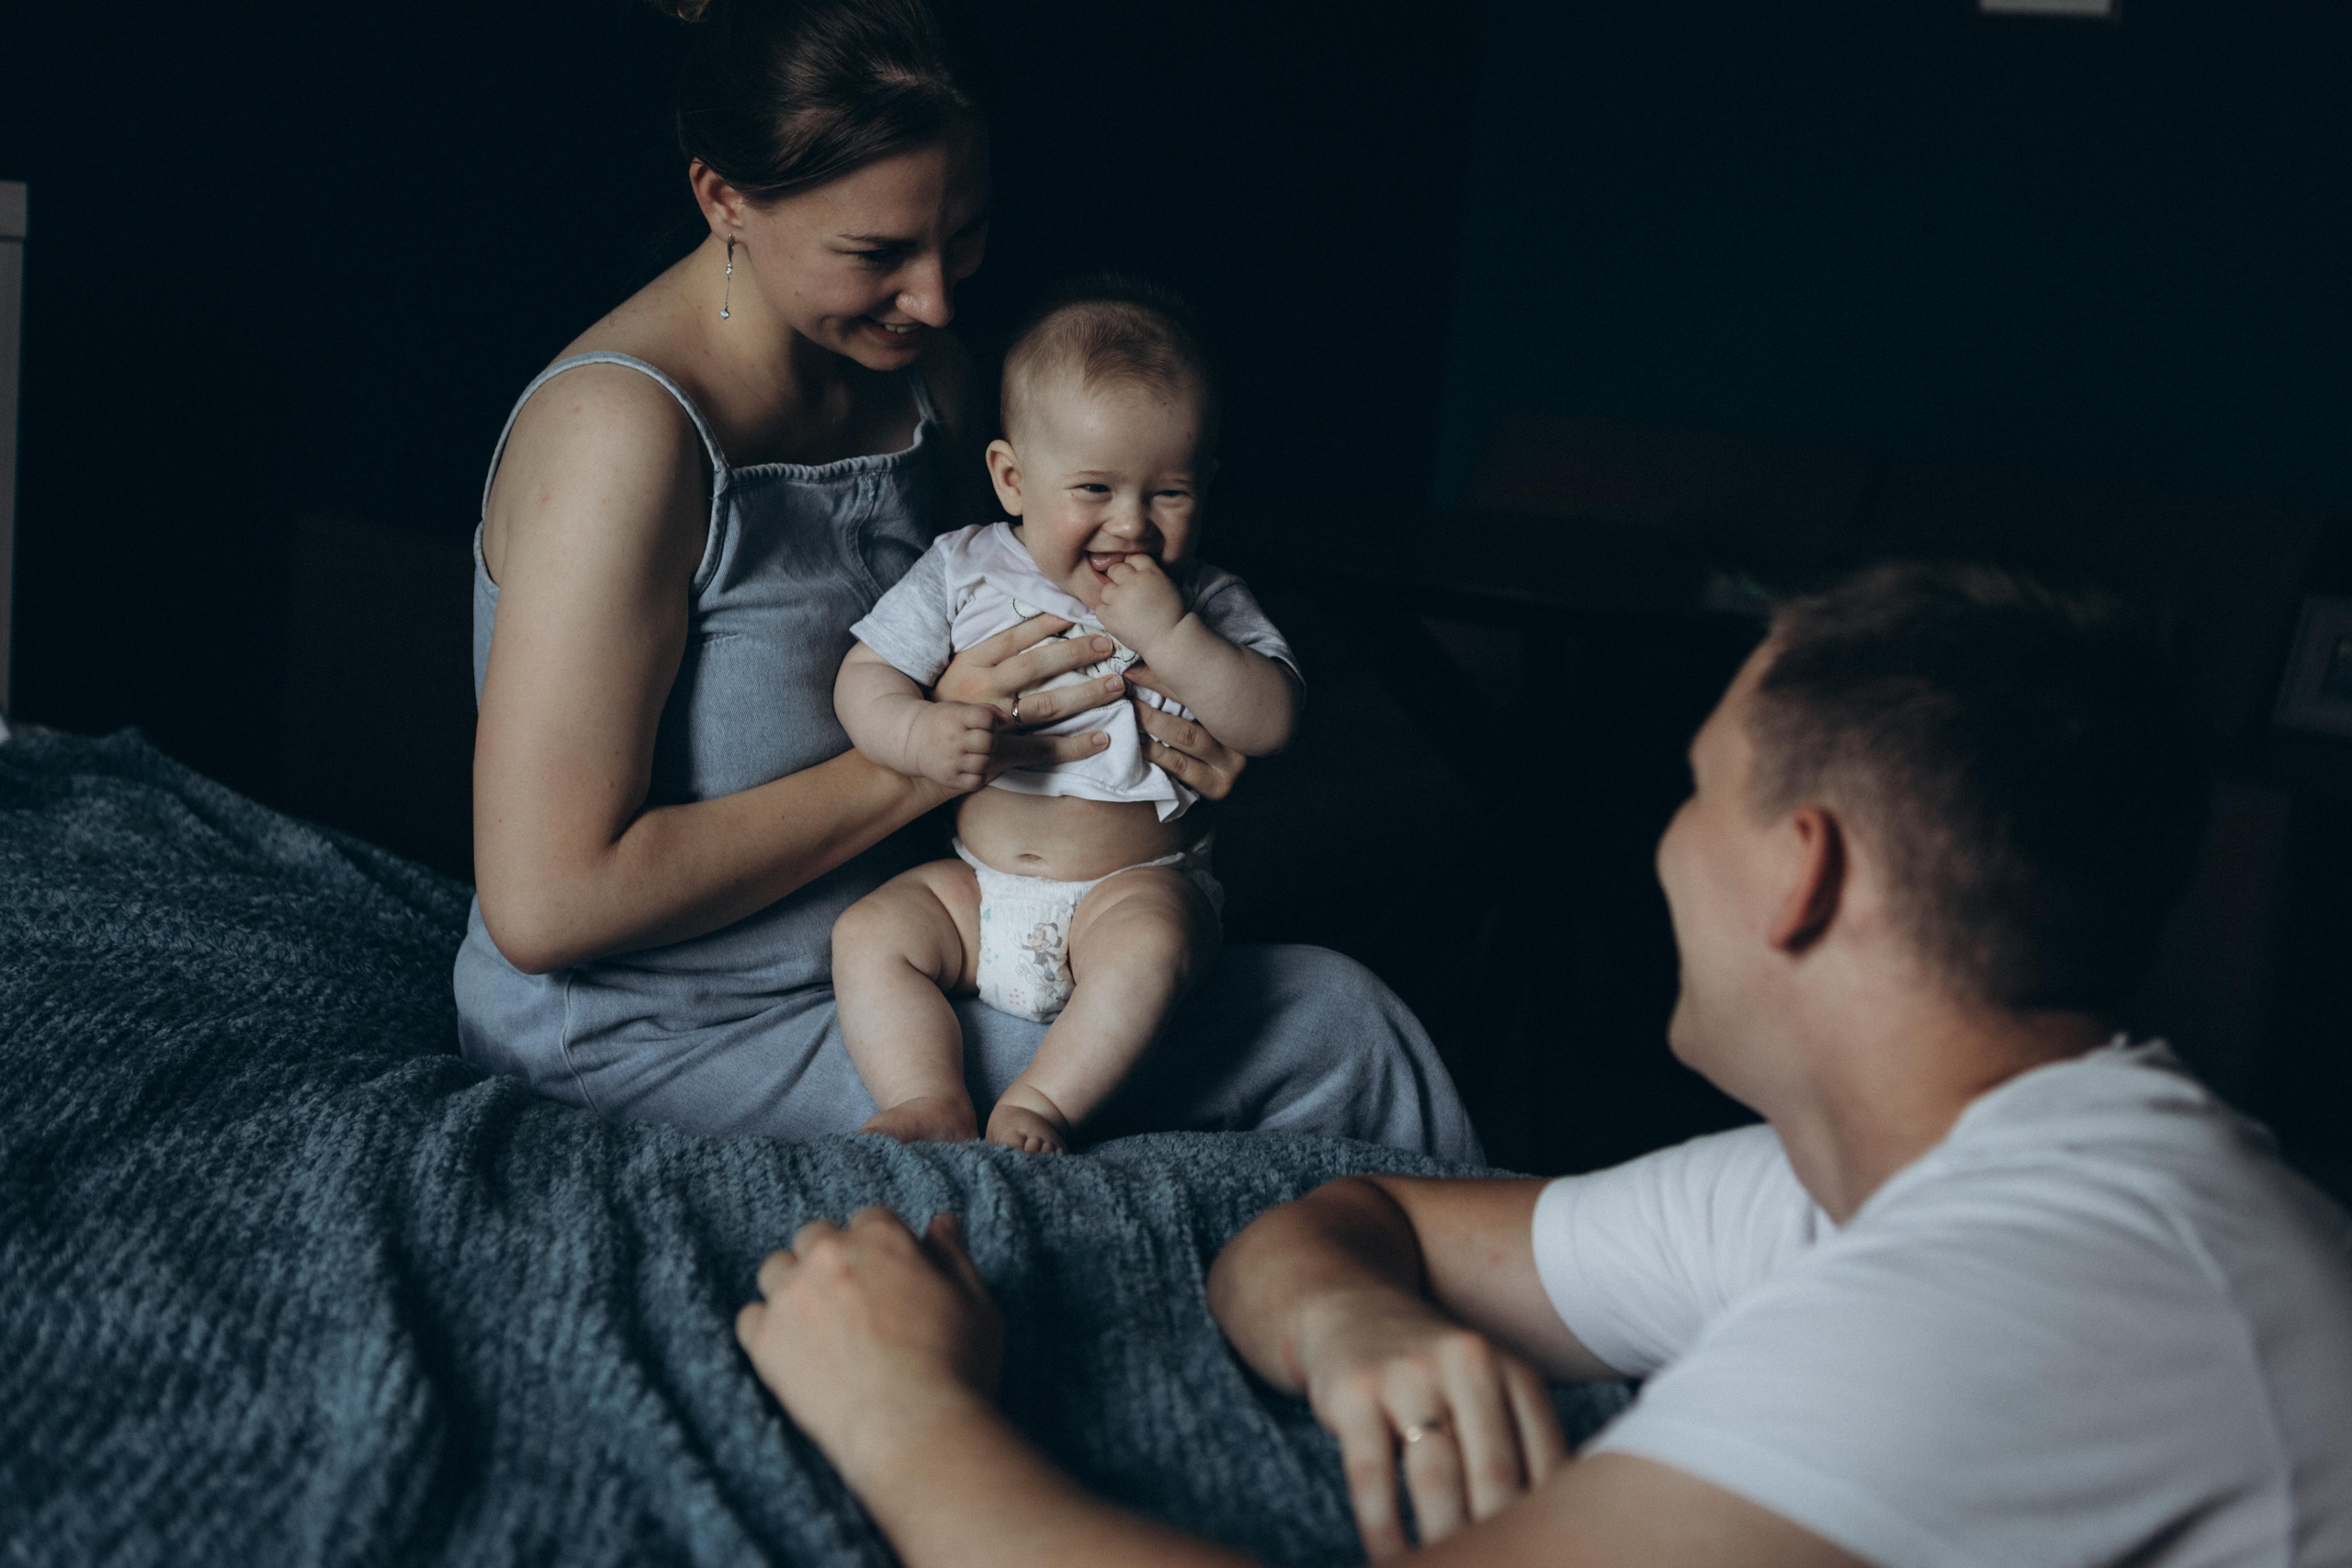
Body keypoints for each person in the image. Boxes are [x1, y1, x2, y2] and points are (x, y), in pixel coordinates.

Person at [735, 562, 2352, 1566]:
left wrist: (901, 1415)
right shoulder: (1888, 1177)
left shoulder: (2049, 1289)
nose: (1657, 843)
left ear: (1803, 871)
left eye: (1693, 791)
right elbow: (1348, 1216)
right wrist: (1355, 1321)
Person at [449, 0, 1476, 1160]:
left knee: (1316, 1001)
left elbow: (1011, 606)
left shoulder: (928, 378)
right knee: (1339, 1036)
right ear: (722, 197)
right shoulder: (622, 436)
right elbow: (545, 908)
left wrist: (1189, 718)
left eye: (966, 236)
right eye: (877, 254)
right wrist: (935, 759)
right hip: (666, 1026)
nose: (938, 300)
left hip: (941, 955)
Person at [832, 282, 1295, 1153]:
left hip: (1130, 892)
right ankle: (925, 1093)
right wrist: (916, 732)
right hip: (976, 889)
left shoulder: (1206, 600)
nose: (1132, 525)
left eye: (1169, 494)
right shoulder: (962, 568)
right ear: (1012, 479)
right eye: (1095, 488)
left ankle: (1042, 1104)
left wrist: (1174, 633)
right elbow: (866, 674)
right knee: (871, 933)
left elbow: (1271, 721)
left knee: (1149, 952)